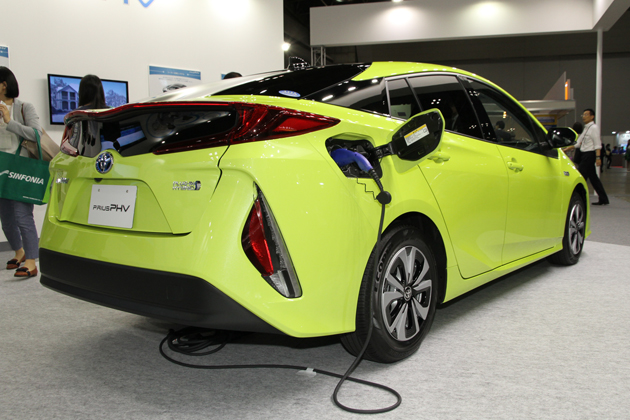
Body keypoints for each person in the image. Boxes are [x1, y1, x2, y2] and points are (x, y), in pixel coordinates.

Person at [0, 67, 41, 277]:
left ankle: (32, 261)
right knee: (6, 218)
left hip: (21, 169)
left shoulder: (24, 107)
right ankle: (19, 252)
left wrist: (10, 122)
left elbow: (35, 134)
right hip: (1, 169)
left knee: (22, 215)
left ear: (3, 85)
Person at [564, 108, 609, 205]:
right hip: (585, 155)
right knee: (593, 178)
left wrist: (598, 157)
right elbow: (578, 143)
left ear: (592, 116)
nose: (584, 117)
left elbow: (597, 144)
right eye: (583, 115)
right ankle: (603, 198)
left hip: (589, 155)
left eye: (586, 115)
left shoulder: (594, 128)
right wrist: (567, 149)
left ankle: (576, 197)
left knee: (580, 177)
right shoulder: (586, 128)